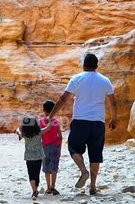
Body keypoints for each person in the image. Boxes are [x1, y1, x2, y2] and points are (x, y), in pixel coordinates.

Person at [46, 53, 116, 196]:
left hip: (80, 121)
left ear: (84, 65)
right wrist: (114, 118)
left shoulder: (77, 78)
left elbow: (63, 98)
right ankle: (93, 187)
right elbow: (112, 102)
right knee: (95, 154)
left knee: (73, 147)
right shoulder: (105, 80)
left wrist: (51, 114)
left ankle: (83, 171)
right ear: (97, 65)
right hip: (98, 122)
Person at [15, 115, 44, 199]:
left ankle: (34, 190)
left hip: (29, 156)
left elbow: (18, 131)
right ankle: (36, 189)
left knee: (31, 174)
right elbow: (48, 128)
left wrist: (20, 128)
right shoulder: (39, 132)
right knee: (37, 173)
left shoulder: (24, 134)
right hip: (38, 156)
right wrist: (50, 122)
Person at [38, 99, 63, 195]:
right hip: (55, 146)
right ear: (54, 110)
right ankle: (53, 186)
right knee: (54, 166)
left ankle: (48, 187)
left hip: (44, 146)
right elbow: (60, 136)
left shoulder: (40, 122)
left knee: (46, 167)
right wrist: (60, 148)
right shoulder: (56, 121)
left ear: (43, 110)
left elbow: (39, 135)